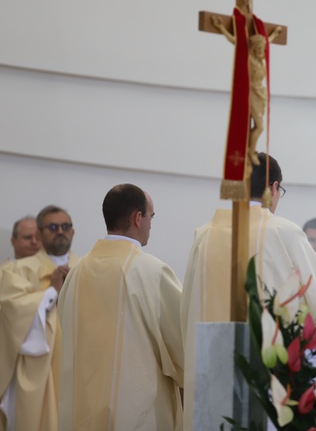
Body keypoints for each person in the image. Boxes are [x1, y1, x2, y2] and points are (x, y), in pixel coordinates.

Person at [181, 153, 316, 431]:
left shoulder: (204, 234)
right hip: (268, 369)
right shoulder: (283, 231)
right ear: (274, 188)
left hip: (209, 363)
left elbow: (187, 306)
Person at [57, 184, 183, 431]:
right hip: (137, 417)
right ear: (138, 218)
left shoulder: (76, 274)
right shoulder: (152, 272)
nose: (150, 225)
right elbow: (183, 344)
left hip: (82, 412)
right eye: (151, 217)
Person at [0, 205, 80, 431]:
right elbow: (12, 313)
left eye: (65, 226)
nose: (60, 231)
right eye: (53, 227)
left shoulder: (86, 269)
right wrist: (52, 291)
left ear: (72, 232)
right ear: (39, 234)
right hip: (36, 371)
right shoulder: (16, 270)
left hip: (76, 367)